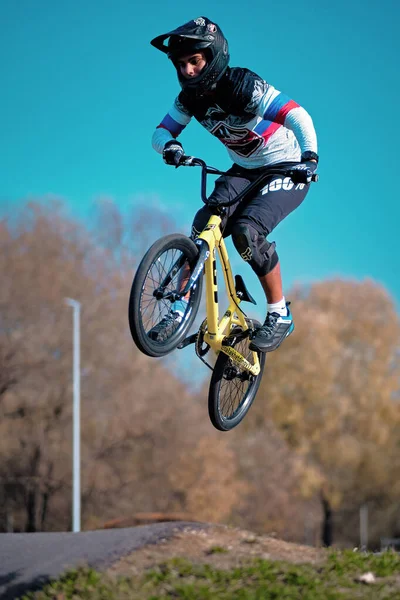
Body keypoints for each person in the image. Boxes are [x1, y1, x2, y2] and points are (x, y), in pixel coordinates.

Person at [149, 16, 318, 352]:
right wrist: (170, 146)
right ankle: (179, 308)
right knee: (202, 230)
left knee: (246, 233)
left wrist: (309, 158)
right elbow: (161, 131)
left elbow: (298, 115)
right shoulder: (189, 100)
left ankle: (279, 313)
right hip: (243, 170)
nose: (188, 72)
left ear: (214, 57)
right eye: (181, 65)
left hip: (286, 169)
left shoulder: (244, 86)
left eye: (194, 62)